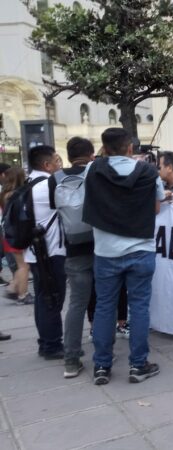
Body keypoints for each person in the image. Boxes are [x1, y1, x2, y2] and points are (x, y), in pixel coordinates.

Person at [83, 127, 164, 385]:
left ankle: (102, 366)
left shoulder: (92, 170)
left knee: (105, 307)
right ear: (130, 147)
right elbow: (157, 206)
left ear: (104, 149)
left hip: (106, 251)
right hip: (141, 248)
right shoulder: (149, 172)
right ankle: (138, 365)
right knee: (138, 307)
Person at [52, 136, 95, 377]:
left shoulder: (55, 179)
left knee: (77, 304)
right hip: (100, 245)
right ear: (91, 155)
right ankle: (103, 353)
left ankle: (71, 360)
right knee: (103, 301)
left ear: (67, 156)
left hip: (73, 248)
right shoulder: (96, 173)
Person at [25, 145, 67, 360]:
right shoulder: (48, 185)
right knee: (53, 297)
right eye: (55, 160)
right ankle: (52, 345)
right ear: (46, 164)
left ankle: (45, 342)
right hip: (51, 251)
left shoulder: (28, 183)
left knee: (43, 297)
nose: (58, 164)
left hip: (34, 252)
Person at [1, 167, 32, 304]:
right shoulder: (17, 194)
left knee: (21, 264)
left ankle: (14, 287)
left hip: (8, 233)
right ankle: (22, 294)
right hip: (17, 233)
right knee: (24, 266)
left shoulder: (4, 194)